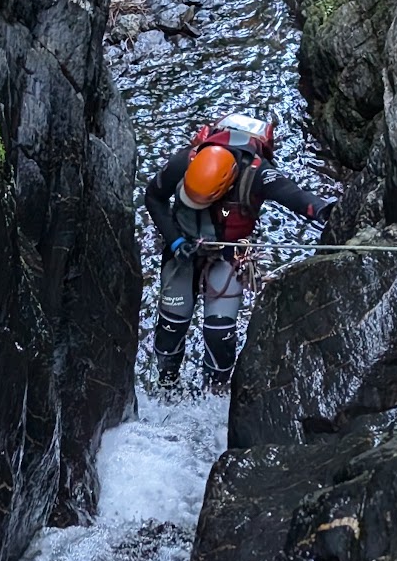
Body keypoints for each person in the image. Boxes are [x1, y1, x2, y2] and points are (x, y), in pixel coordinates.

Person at [143, 115, 335, 393]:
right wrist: (174, 242)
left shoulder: (257, 173)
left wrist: (323, 210)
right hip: (181, 251)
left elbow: (293, 195)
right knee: (171, 326)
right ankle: (165, 387)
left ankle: (214, 393)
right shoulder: (184, 161)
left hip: (227, 255)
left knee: (219, 334)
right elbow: (153, 197)